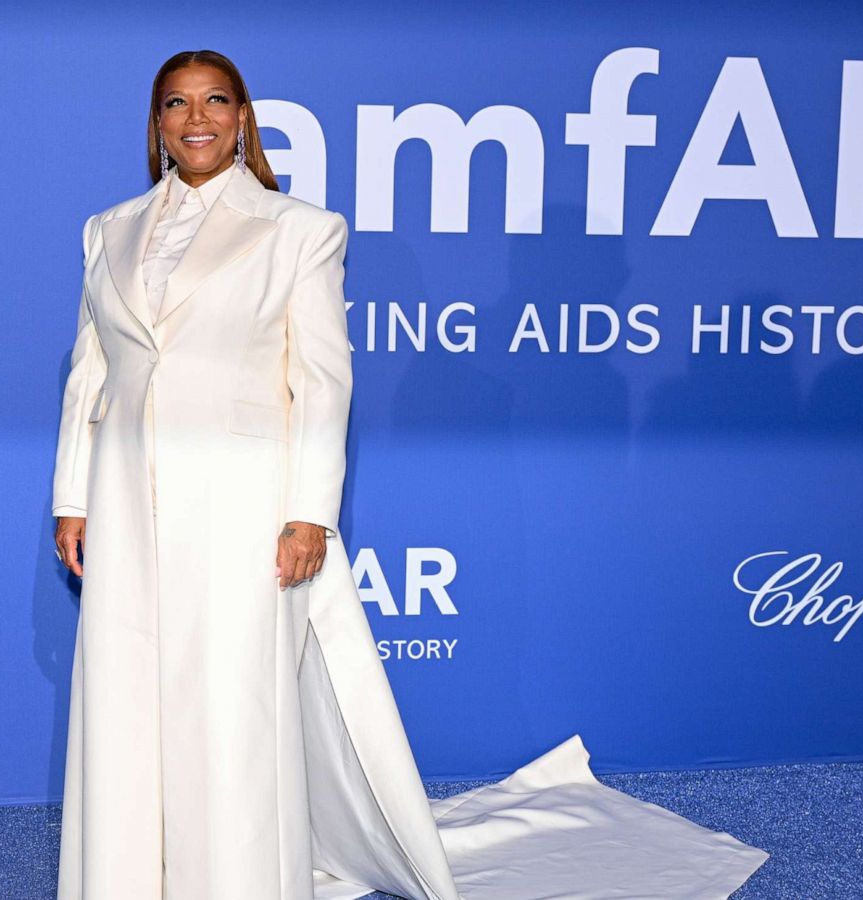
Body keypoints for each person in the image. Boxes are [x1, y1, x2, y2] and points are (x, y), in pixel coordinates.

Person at [51, 49, 770, 900]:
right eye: (177, 104)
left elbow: (323, 382)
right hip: (127, 503)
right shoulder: (110, 228)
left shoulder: (300, 230)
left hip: (242, 504)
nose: (196, 118)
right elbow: (89, 374)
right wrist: (72, 495)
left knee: (234, 712)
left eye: (216, 101)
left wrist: (309, 511)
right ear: (157, 123)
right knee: (128, 699)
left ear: (243, 118)